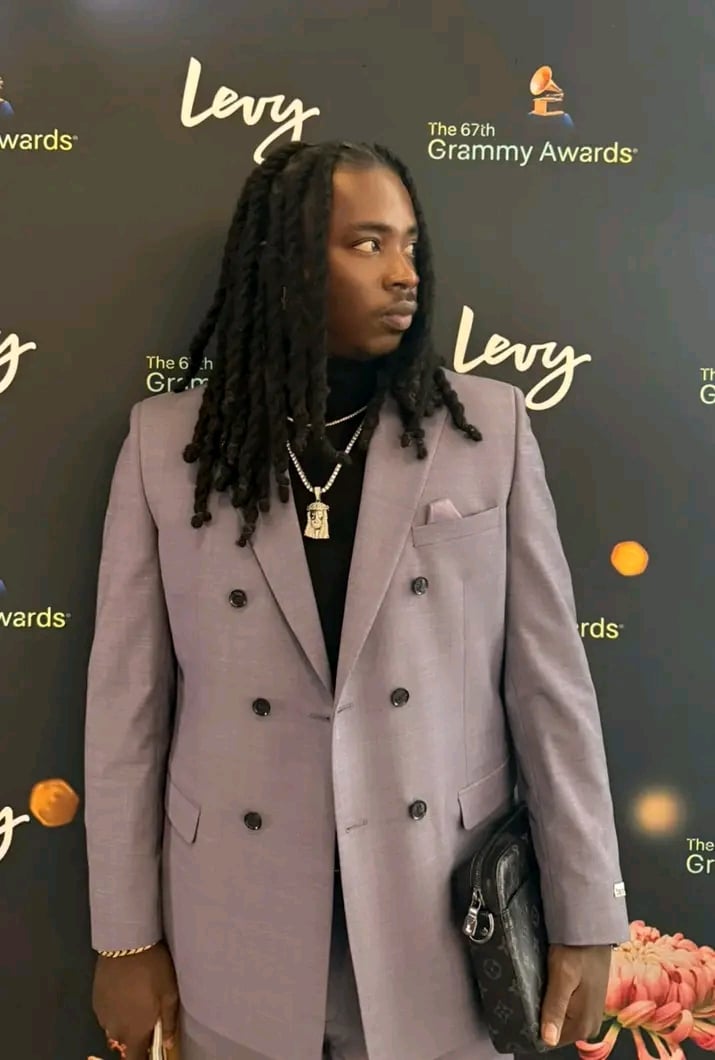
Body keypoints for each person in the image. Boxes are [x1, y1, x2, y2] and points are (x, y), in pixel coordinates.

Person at [84, 139, 629, 1060]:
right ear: (287, 264)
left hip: (443, 920)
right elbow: (126, 711)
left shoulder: (486, 429)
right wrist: (125, 938)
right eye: (366, 244)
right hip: (233, 917)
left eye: (409, 244)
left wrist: (585, 910)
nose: (404, 273)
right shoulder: (165, 446)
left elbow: (549, 690)